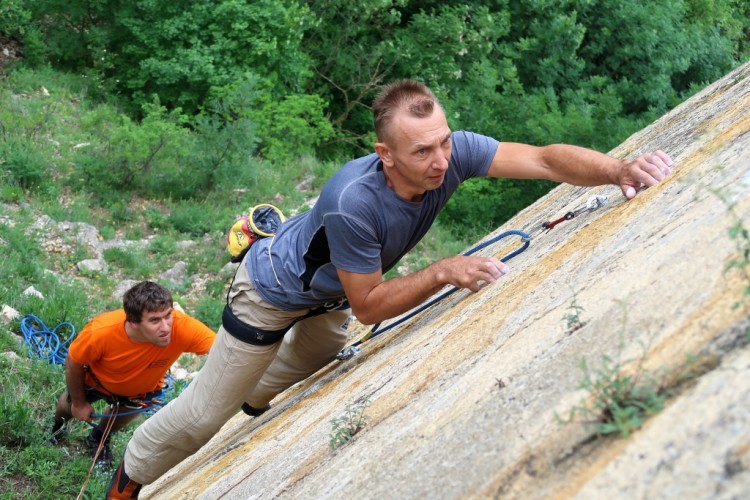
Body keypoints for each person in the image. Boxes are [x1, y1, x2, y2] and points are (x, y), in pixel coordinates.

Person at [106, 80, 673, 498]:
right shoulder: (355, 202)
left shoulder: (451, 152)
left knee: (315, 357)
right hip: (270, 292)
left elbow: (545, 158)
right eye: (422, 151)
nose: (440, 161)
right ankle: (131, 474)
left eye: (444, 143)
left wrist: (619, 169)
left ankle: (254, 392)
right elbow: (371, 306)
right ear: (385, 154)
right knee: (207, 415)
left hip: (326, 295)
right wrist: (441, 271)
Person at [51, 281, 215, 468]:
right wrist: (79, 404)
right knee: (70, 403)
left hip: (141, 389)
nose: (166, 327)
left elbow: (225, 350)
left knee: (122, 416)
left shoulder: (182, 327)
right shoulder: (101, 332)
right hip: (97, 380)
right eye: (154, 320)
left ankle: (98, 439)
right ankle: (57, 427)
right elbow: (74, 363)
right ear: (133, 322)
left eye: (168, 315)